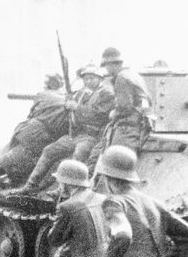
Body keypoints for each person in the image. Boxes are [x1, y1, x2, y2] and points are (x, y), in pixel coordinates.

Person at [12, 65, 114, 194]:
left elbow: (98, 114)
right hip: (75, 134)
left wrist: (76, 108)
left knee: (79, 154)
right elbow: (70, 109)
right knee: (49, 151)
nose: (88, 81)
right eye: (86, 79)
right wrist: (67, 105)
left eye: (91, 78)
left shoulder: (106, 94)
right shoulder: (82, 93)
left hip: (91, 136)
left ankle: (64, 189)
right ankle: (30, 185)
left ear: (100, 78)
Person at [0, 74, 68, 192]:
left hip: (31, 131)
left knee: (12, 156)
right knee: (20, 158)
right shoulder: (65, 98)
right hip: (42, 135)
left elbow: (32, 113)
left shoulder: (44, 95)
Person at [86, 47, 152, 174]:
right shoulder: (133, 75)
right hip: (138, 125)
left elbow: (124, 107)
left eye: (106, 66)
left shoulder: (121, 78)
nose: (107, 70)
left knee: (116, 163)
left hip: (127, 128)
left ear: (112, 64)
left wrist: (113, 113)